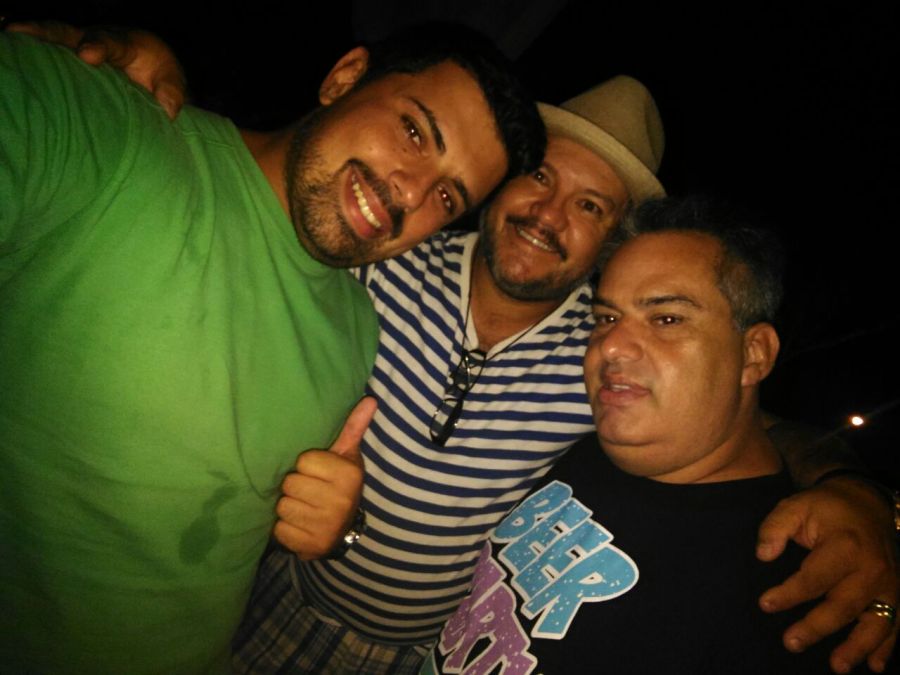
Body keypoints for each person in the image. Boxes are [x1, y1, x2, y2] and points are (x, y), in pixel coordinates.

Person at [14, 24, 899, 675]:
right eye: (539, 177)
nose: (549, 214)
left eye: (591, 206)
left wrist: (853, 491)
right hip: (264, 595)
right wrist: (128, 73)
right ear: (496, 183)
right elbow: (273, 202)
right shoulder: (381, 253)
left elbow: (745, 421)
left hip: (415, 656)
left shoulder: (604, 357)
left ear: (609, 243)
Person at [0, 27, 545, 675]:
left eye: (447, 197)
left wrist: (339, 525)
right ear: (345, 77)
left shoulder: (358, 328)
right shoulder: (106, 130)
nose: (410, 193)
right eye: (414, 131)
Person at [421, 197, 898, 674]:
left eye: (667, 318)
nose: (609, 345)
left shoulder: (796, 594)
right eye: (606, 318)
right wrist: (853, 484)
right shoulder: (594, 442)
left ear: (754, 354)